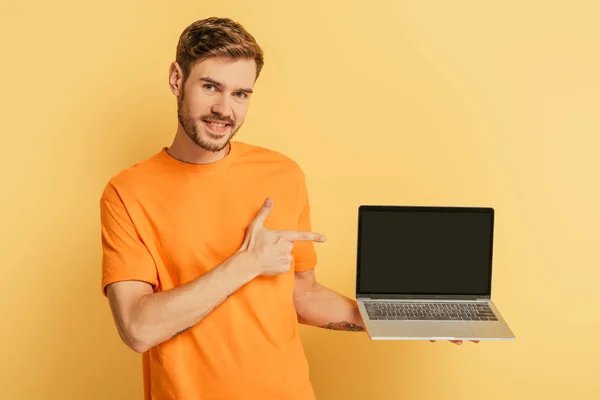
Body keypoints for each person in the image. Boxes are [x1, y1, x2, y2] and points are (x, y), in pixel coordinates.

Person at [100, 16, 475, 400]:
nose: (224, 110)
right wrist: (246, 263)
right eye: (210, 86)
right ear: (177, 79)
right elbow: (138, 328)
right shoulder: (128, 192)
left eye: (241, 94)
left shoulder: (283, 174)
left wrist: (400, 319)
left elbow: (301, 295)